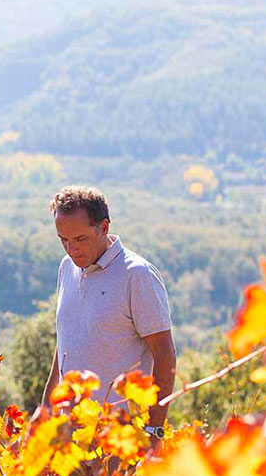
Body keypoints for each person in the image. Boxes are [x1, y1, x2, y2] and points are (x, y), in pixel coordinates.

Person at [39, 186, 176, 439]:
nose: (71, 249)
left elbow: (165, 355)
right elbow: (65, 346)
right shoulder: (67, 268)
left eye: (80, 239)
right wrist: (44, 415)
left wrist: (153, 432)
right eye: (63, 240)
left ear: (103, 227)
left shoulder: (137, 275)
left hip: (118, 437)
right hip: (69, 436)